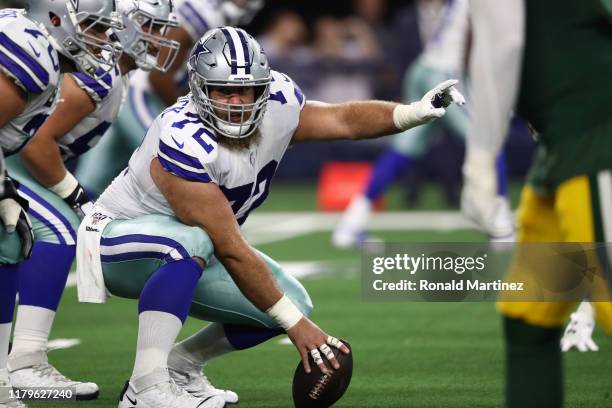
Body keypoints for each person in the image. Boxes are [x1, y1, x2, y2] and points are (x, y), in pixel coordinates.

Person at [75, 27, 464, 408]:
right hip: (113, 242)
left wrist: (412, 113)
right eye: (224, 90)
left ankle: (181, 366)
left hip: (191, 251)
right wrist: (298, 331)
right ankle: (145, 385)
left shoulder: (277, 103)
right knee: (194, 243)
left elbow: (342, 119)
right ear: (198, 89)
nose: (237, 102)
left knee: (292, 301)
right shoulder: (181, 138)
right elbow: (230, 247)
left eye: (247, 90)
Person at [2, 0, 183, 402]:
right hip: (12, 163)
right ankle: (25, 359)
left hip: (15, 163)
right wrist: (75, 194)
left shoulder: (106, 74)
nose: (159, 39)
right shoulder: (94, 73)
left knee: (32, 235)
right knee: (60, 229)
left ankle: (15, 363)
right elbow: (36, 144)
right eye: (150, 26)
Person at [462, 0, 612, 406]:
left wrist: (478, 161)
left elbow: (503, 42)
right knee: (528, 316)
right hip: (564, 143)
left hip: (594, 133)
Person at [0, 1, 121, 406]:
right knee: (40, 230)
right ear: (56, 18)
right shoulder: (32, 48)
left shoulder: (49, 58)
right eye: (95, 28)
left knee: (10, 239)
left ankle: (6, 373)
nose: (103, 41)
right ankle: (19, 366)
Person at [333, 0, 514, 249]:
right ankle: (501, 225)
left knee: (403, 149)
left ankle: (352, 223)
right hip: (444, 74)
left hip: (424, 68)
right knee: (489, 141)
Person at [74, 0, 265, 197]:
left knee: (93, 180)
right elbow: (159, 76)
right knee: (172, 162)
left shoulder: (214, 13)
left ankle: (82, 217)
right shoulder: (205, 11)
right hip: (143, 93)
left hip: (133, 89)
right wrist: (194, 111)